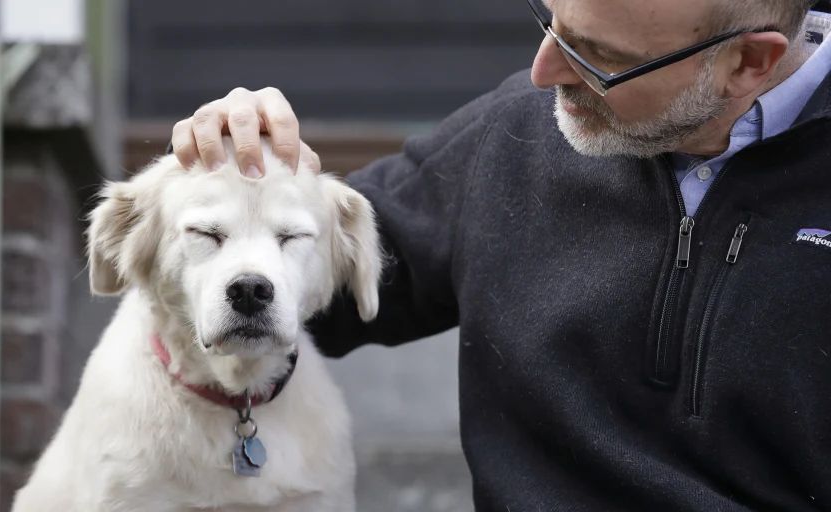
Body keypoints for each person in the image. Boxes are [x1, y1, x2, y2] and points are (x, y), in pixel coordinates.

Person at [168, 0, 831, 509]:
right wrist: (235, 190)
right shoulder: (516, 129)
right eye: (552, 20)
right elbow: (316, 287)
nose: (545, 72)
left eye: (597, 56)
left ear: (748, 63)